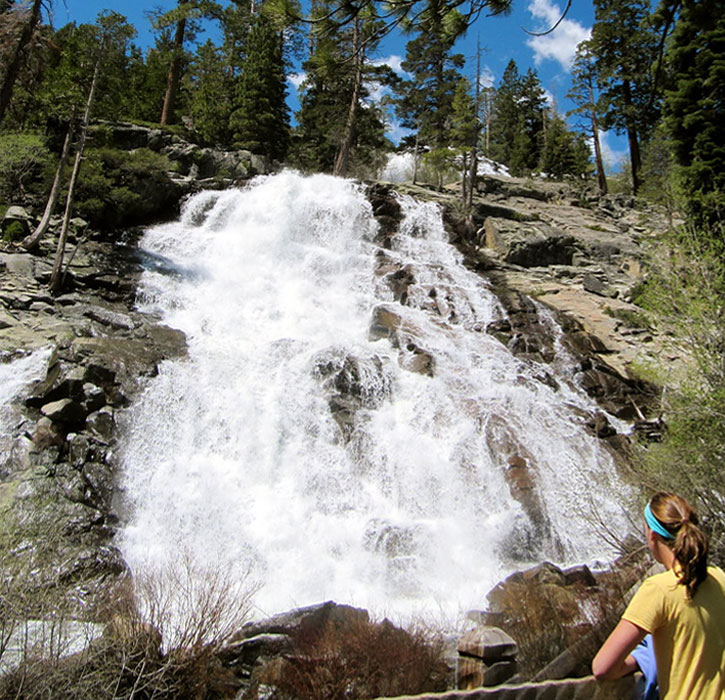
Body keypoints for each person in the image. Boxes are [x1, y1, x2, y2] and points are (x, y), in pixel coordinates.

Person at [592, 491, 725, 699]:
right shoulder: (718, 577)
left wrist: (639, 661)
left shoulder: (658, 589)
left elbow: (602, 667)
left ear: (652, 536)